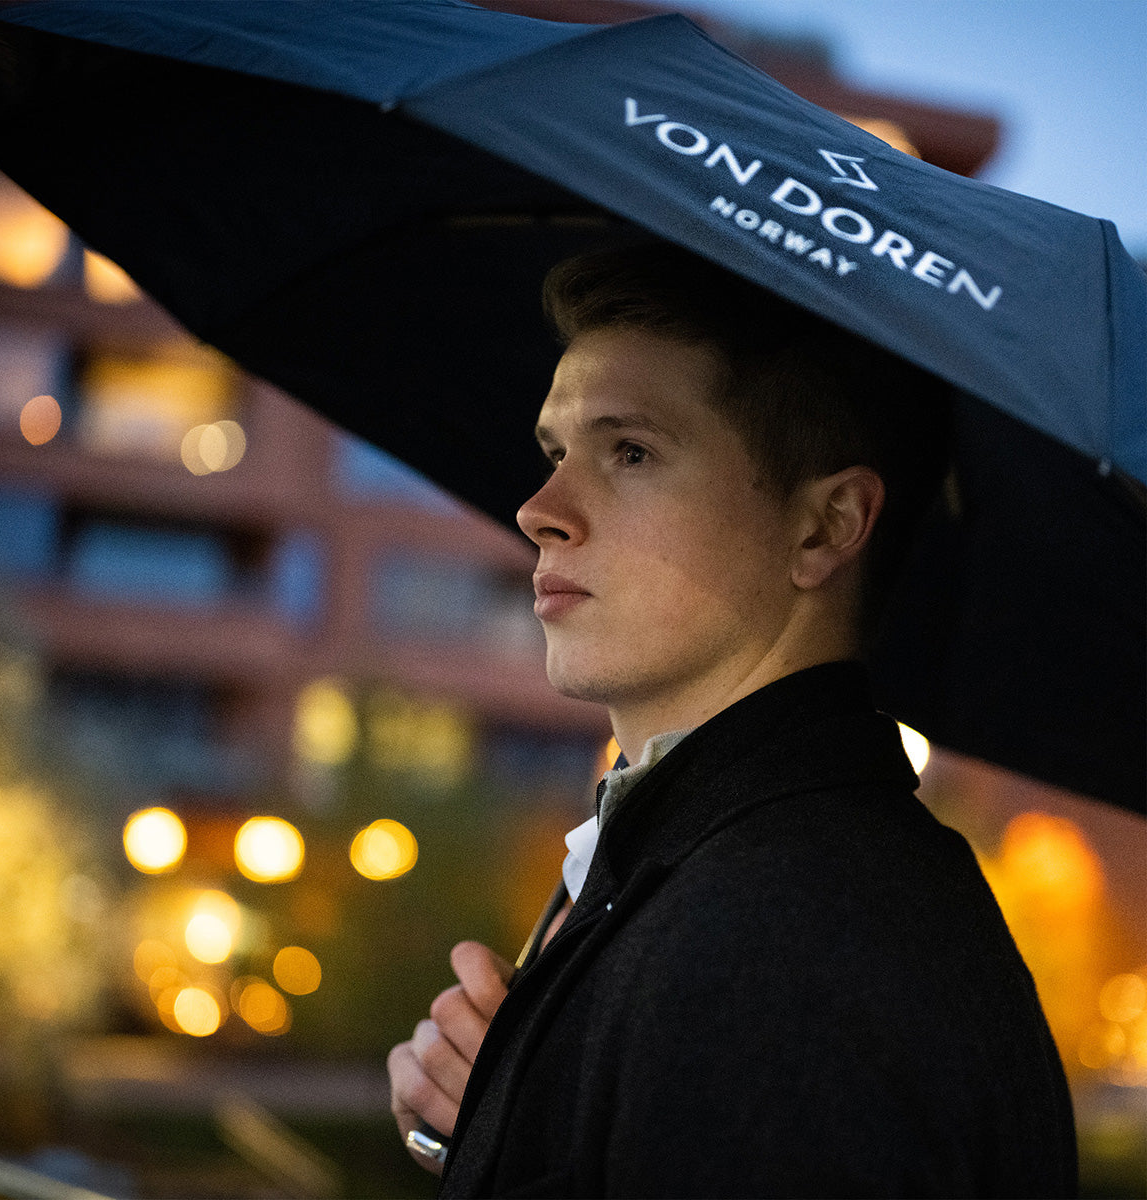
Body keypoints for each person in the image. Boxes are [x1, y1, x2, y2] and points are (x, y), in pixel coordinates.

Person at [387, 244, 1077, 1198]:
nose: (540, 510)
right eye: (555, 453)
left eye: (631, 452)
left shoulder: (796, 946)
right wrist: (509, 1114)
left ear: (826, 525)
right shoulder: (728, 874)